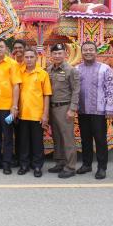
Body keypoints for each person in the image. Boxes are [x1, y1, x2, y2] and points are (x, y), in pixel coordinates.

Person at [76, 41, 113, 179]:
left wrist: (110, 108)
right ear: (82, 52)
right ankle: (87, 164)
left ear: (96, 52)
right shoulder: (77, 69)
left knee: (100, 140)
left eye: (91, 49)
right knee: (85, 139)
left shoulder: (105, 68)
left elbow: (110, 89)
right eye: (85, 50)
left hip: (99, 111)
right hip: (82, 110)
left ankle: (102, 168)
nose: (88, 52)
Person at [0, 38, 21, 175]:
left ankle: (7, 163)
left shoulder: (12, 64)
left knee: (7, 136)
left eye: (1, 46)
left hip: (7, 107)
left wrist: (14, 106)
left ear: (6, 48)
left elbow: (16, 86)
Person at [47, 43, 80, 178]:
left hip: (65, 108)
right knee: (57, 137)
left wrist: (72, 109)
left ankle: (70, 167)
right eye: (54, 53)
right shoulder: (49, 69)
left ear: (65, 54)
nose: (57, 56)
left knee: (67, 138)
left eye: (60, 53)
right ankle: (60, 162)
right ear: (51, 55)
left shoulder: (71, 70)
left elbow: (76, 91)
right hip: (52, 108)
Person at [17, 47, 51, 178]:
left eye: (31, 57)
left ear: (36, 58)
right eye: (27, 57)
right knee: (23, 142)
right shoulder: (19, 72)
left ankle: (37, 166)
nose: (29, 59)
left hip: (37, 114)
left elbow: (46, 95)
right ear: (23, 58)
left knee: (37, 142)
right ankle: (24, 165)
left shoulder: (43, 74)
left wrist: (45, 114)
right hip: (22, 114)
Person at [11, 39, 26, 167]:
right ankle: (17, 158)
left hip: (27, 104)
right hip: (13, 103)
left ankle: (26, 159)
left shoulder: (30, 64)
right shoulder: (12, 64)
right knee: (16, 132)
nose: (18, 50)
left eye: (20, 47)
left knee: (25, 133)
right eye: (15, 48)